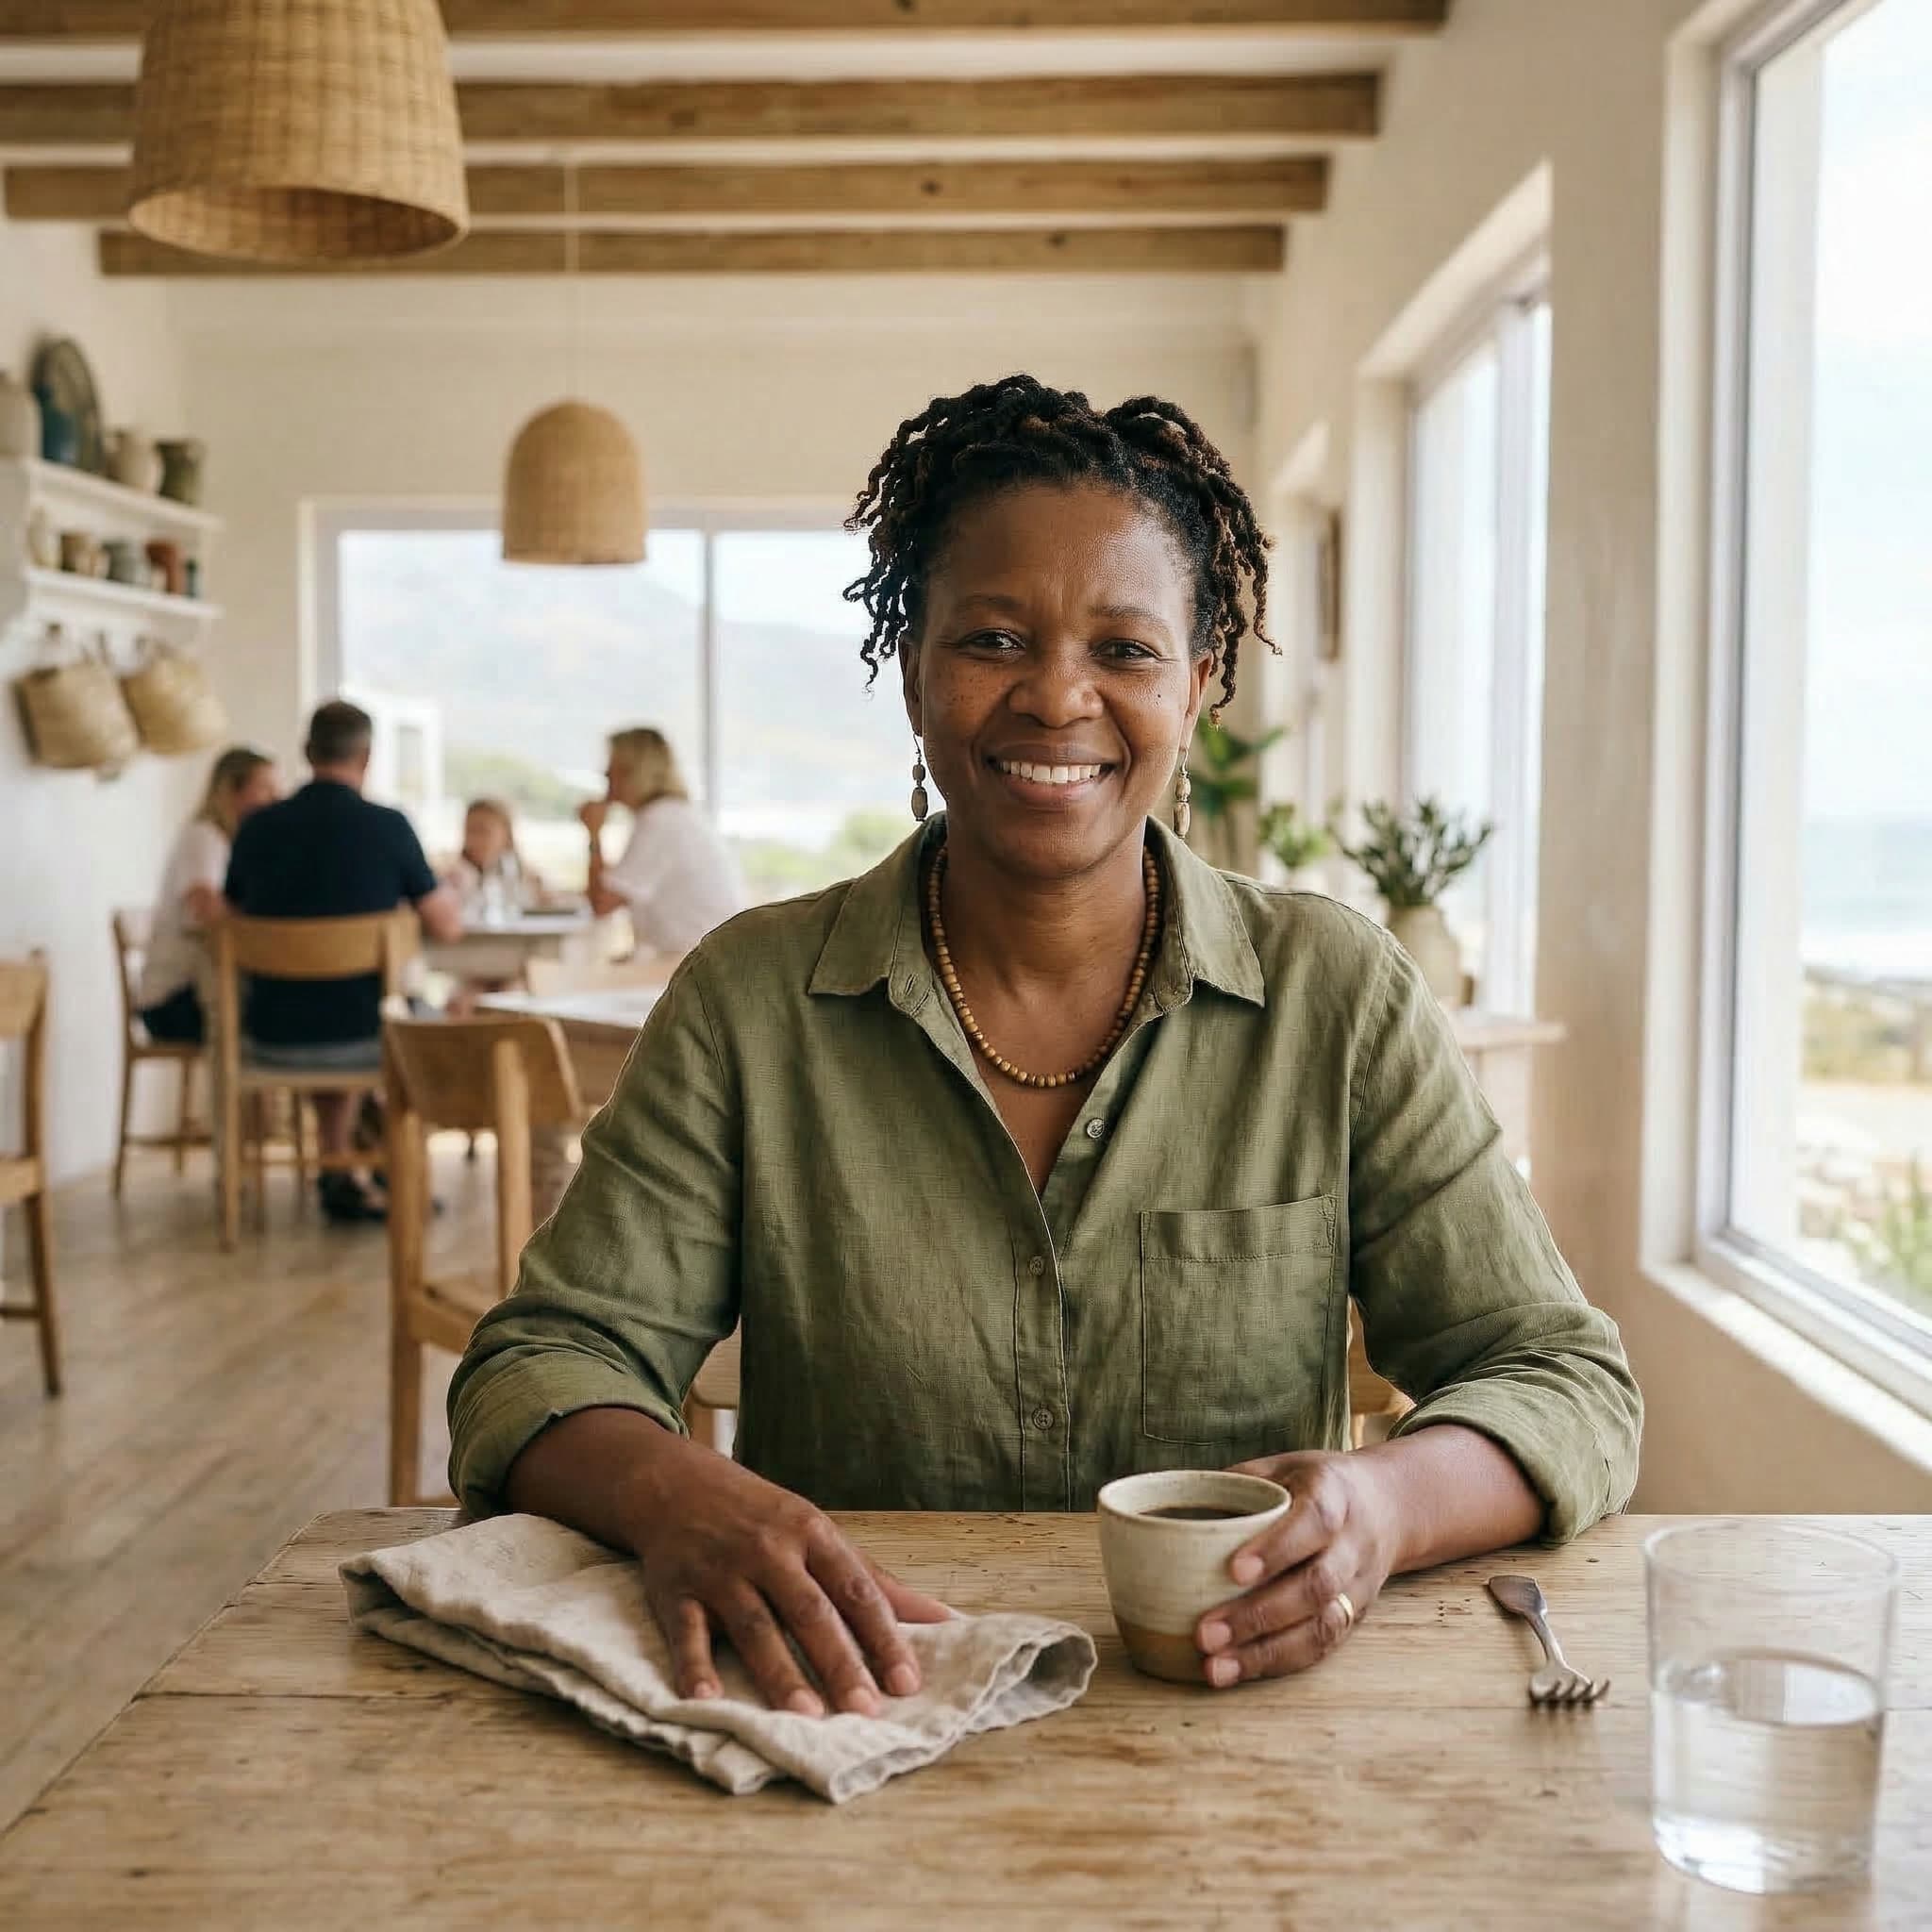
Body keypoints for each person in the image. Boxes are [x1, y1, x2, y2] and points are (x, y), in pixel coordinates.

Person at [450, 375, 1641, 1720]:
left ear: (1198, 688)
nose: (1057, 697)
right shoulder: (750, 1001)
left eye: (1125, 651)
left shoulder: (1337, 996)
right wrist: (679, 1491)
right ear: (913, 675)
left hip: (1241, 1741)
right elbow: (541, 1364)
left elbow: (1563, 1378)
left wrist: (1384, 1503)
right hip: (852, 1715)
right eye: (994, 638)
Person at [225, 699, 463, 1224]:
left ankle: (344, 1168)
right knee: (413, 1017)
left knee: (326, 1009)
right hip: (365, 1038)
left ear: (308, 752)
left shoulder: (256, 830)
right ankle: (397, 1168)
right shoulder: (388, 826)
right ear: (367, 757)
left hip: (272, 1037)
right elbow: (447, 925)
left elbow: (232, 914)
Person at [136, 745, 281, 1044]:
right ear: (231, 791)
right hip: (173, 1002)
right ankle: (247, 1090)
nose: (276, 799)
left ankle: (254, 1090)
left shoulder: (229, 844)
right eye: (265, 788)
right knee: (268, 1018)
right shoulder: (204, 838)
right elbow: (209, 912)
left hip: (193, 992)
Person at [579, 727, 743, 954]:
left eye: (613, 766)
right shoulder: (673, 814)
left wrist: (594, 835)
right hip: (696, 958)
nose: (605, 773)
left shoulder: (660, 820)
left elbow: (601, 904)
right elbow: (617, 888)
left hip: (692, 963)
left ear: (631, 771)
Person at [444, 797, 543, 925]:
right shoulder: (452, 878)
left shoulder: (527, 878)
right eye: (470, 830)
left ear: (506, 834)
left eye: (484, 831)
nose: (475, 839)